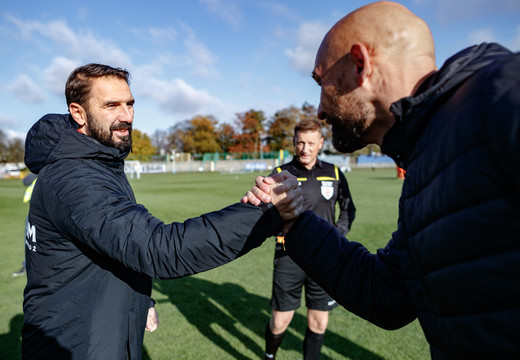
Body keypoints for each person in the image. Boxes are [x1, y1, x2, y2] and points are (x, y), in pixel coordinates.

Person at [243, 1, 520, 358]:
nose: (320, 110)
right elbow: (386, 296)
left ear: (360, 65)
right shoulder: (424, 168)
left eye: (321, 81)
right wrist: (295, 222)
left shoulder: (500, 89)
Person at [22, 63, 302, 359]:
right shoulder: (75, 179)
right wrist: (265, 212)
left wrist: (141, 302)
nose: (126, 116)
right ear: (79, 113)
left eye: (129, 104)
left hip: (96, 332)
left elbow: (112, 247)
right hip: (73, 346)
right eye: (111, 105)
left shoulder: (96, 161)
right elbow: (159, 248)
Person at [264, 119, 356, 360]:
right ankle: (269, 356)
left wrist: (338, 233)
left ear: (321, 143)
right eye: (300, 142)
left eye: (311, 143)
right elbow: (265, 213)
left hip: (325, 257)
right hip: (288, 256)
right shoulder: (280, 175)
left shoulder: (334, 172)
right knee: (280, 320)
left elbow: (348, 208)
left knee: (318, 322)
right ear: (294, 142)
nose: (305, 149)